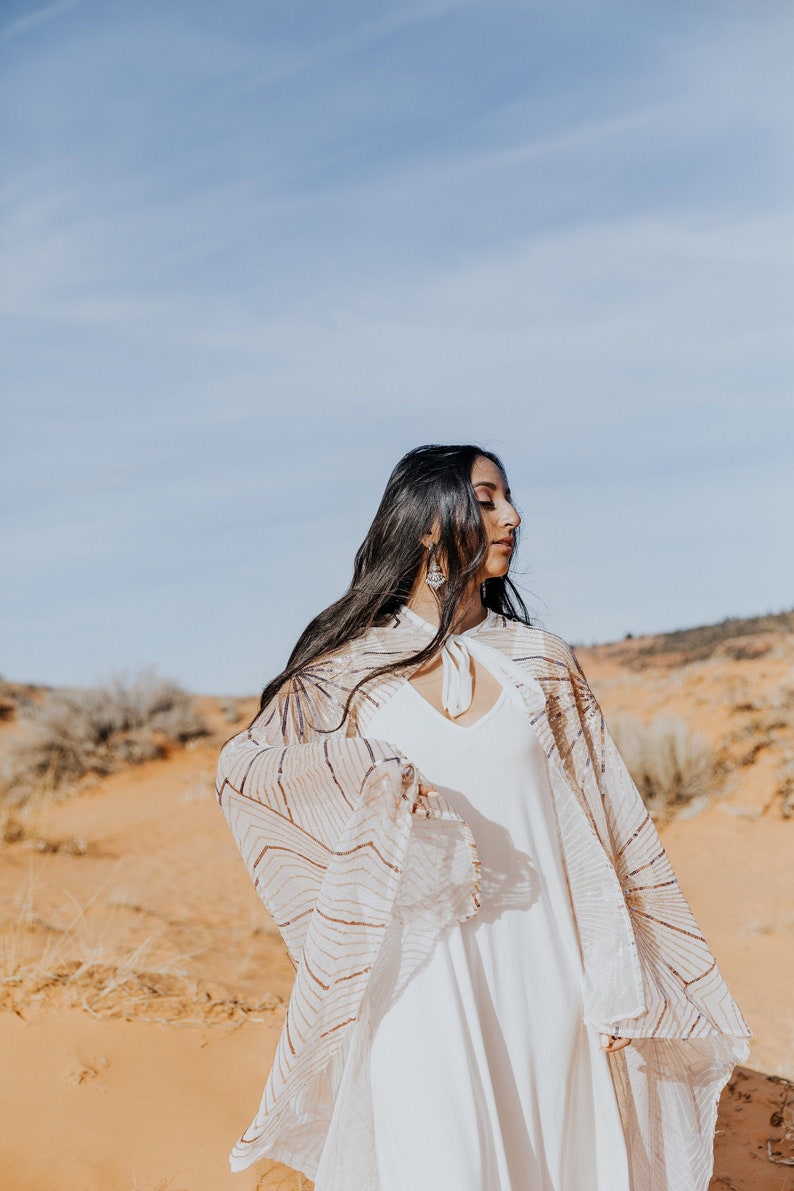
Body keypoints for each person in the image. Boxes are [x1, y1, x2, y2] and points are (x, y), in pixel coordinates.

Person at [216, 443, 751, 1191]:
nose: (513, 516)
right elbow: (249, 771)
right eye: (489, 498)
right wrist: (365, 779)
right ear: (430, 525)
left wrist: (614, 974)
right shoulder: (345, 673)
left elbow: (607, 829)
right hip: (418, 983)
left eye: (507, 499)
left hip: (549, 978)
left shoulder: (542, 663)